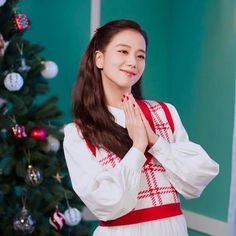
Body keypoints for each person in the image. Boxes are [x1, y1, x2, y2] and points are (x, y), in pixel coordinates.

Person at [63, 19, 219, 236]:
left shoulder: (165, 112)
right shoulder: (78, 133)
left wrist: (156, 142)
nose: (133, 62)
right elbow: (106, 202)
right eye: (123, 51)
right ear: (99, 58)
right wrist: (137, 148)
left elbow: (198, 176)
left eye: (140, 55)